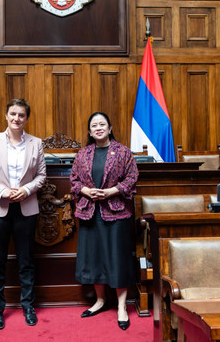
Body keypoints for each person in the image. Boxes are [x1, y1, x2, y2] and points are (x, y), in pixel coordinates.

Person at [0, 98, 47, 330]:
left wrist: (26, 190)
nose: (17, 118)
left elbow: (41, 176)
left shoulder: (36, 143)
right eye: (13, 114)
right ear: (6, 116)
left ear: (27, 118)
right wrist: (3, 190)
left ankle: (28, 306)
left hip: (25, 208)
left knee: (26, 261)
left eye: (22, 115)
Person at [70, 111, 139, 331]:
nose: (98, 128)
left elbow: (132, 178)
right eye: (94, 125)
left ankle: (121, 306)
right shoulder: (83, 154)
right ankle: (100, 301)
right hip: (89, 212)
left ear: (109, 128)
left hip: (115, 212)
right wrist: (86, 191)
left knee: (117, 259)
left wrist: (110, 191)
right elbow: (73, 180)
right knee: (94, 259)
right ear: (90, 131)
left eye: (102, 124)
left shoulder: (123, 152)